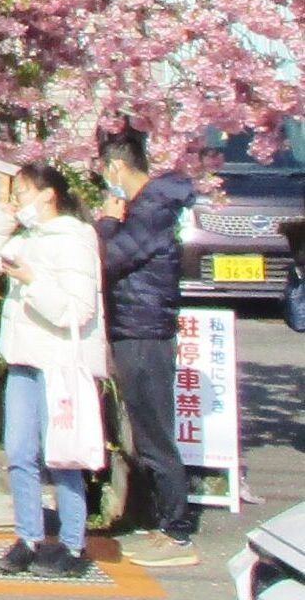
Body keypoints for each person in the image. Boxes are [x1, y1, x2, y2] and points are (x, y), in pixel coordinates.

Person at [0, 161, 108, 581]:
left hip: (60, 365)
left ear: (48, 194)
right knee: (18, 452)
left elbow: (78, 308)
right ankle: (27, 538)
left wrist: (31, 282)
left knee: (63, 454)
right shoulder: (28, 237)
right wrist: (4, 215)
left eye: (23, 193)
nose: (18, 201)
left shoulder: (74, 239)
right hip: (23, 359)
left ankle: (71, 543)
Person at [96, 128, 198, 568]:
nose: (103, 177)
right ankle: (162, 522)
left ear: (117, 166)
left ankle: (177, 532)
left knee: (155, 433)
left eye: (103, 169)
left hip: (144, 331)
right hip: (136, 328)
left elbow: (110, 257)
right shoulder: (148, 206)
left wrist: (106, 221)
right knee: (146, 431)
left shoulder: (149, 209)